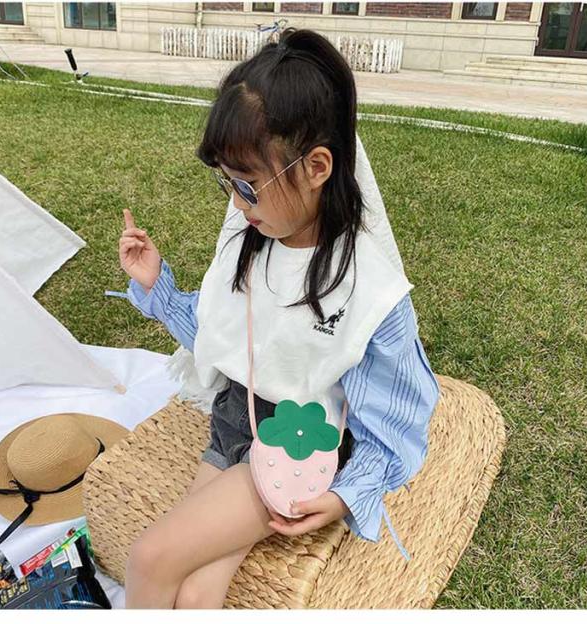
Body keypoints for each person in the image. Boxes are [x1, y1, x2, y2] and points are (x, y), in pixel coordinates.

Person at [118, 27, 440, 609]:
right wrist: (156, 285)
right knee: (197, 594)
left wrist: (346, 495)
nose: (236, 203)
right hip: (235, 423)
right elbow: (225, 339)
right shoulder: (251, 238)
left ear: (317, 167)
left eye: (248, 185)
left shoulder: (372, 292)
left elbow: (399, 415)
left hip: (298, 443)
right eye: (227, 182)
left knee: (150, 556)